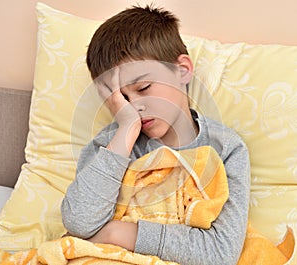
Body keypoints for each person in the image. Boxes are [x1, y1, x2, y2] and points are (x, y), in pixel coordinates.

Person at [61, 5, 250, 265]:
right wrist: (126, 130)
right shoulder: (110, 147)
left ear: (182, 70)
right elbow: (80, 223)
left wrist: (117, 232)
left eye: (143, 87)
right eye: (119, 99)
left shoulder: (226, 148)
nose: (133, 106)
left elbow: (220, 253)